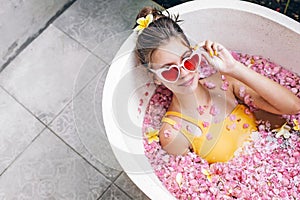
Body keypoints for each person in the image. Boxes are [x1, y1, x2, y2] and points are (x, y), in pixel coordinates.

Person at [134, 7, 300, 163]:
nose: (184, 73)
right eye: (169, 70)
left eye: (188, 60)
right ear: (155, 78)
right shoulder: (174, 134)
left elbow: (293, 107)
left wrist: (234, 68)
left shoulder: (225, 83)